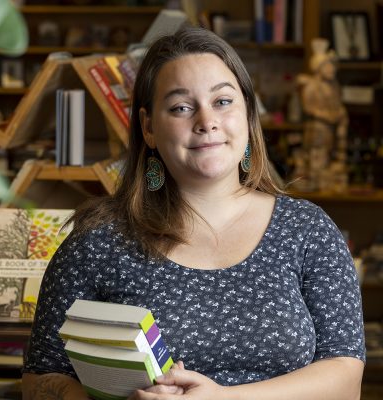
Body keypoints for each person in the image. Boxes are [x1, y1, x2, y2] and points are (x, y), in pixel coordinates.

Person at [22, 27, 365, 400]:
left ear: (248, 115)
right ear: (149, 127)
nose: (206, 121)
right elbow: (40, 377)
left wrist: (224, 398)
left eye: (222, 102)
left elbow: (346, 377)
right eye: (181, 107)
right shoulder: (99, 239)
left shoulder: (308, 230)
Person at [295, 38, 349, 192]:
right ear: (319, 68)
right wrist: (329, 115)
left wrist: (340, 114)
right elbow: (308, 108)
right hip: (317, 128)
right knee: (316, 155)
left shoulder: (334, 87)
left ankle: (325, 179)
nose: (332, 69)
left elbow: (337, 105)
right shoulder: (310, 86)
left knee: (329, 151)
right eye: (328, 66)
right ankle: (314, 179)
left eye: (333, 66)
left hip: (330, 128)